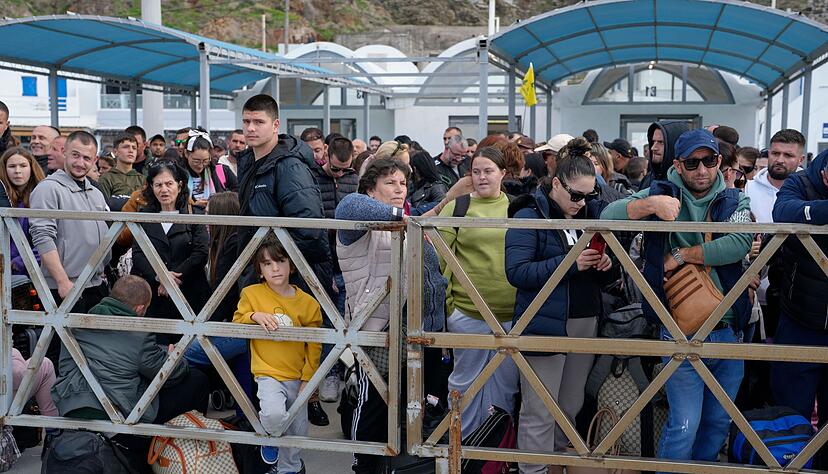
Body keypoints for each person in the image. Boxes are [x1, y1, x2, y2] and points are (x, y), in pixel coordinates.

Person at [601, 129, 752, 466]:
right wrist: (650, 205)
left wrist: (682, 255)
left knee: (718, 423)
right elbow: (606, 216)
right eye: (692, 163)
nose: (702, 170)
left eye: (709, 161)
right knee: (685, 424)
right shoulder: (661, 192)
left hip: (729, 329)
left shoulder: (733, 199)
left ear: (719, 161)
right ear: (678, 165)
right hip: (677, 328)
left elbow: (738, 243)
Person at [506, 138, 613, 474]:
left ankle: (554, 466)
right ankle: (533, 470)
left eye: (589, 196)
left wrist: (607, 265)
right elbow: (517, 272)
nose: (582, 203)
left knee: (569, 405)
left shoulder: (590, 214)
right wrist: (571, 263)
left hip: (584, 319)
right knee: (539, 409)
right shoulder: (528, 215)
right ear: (555, 184)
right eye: (576, 195)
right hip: (544, 322)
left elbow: (607, 275)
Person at [336, 157, 447, 472]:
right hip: (378, 329)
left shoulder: (409, 222)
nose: (399, 189)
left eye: (402, 183)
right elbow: (348, 206)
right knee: (374, 406)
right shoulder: (361, 221)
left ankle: (398, 466)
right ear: (371, 189)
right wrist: (405, 217)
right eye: (389, 183)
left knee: (411, 407)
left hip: (416, 330)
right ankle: (363, 465)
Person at [236, 94, 334, 426]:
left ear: (276, 124)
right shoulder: (249, 161)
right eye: (246, 121)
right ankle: (264, 428)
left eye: (258, 121)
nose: (250, 128)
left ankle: (287, 431)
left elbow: (309, 229)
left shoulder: (289, 166)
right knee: (262, 350)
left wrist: (274, 263)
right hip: (261, 275)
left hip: (290, 277)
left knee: (291, 357)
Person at [51, 275, 208, 468]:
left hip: (72, 406)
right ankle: (188, 454)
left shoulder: (77, 322)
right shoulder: (139, 335)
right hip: (118, 421)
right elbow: (170, 375)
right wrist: (175, 358)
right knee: (197, 380)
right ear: (140, 308)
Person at [438, 147, 518, 436]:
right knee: (464, 383)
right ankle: (462, 447)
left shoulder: (518, 208)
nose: (482, 177)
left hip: (511, 313)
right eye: (476, 171)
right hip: (467, 311)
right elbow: (440, 261)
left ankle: (495, 447)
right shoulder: (457, 207)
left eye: (488, 171)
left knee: (506, 386)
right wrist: (450, 307)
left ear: (503, 173)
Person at [234, 237, 321, 473]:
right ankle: (270, 438)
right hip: (267, 372)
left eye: (280, 261)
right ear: (259, 271)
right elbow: (236, 321)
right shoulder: (251, 294)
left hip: (297, 375)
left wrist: (308, 378)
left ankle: (289, 468)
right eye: (267, 263)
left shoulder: (308, 303)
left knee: (298, 431)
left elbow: (314, 344)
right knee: (273, 414)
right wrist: (254, 316)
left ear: (291, 265)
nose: (275, 268)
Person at [770, 148, 828, 467]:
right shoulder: (800, 182)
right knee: (792, 414)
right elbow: (783, 212)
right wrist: (823, 211)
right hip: (800, 319)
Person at [130, 159, 209, 345]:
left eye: (169, 184)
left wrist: (172, 279)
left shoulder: (194, 214)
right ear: (151, 187)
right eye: (158, 185)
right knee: (156, 347)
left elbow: (200, 252)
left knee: (190, 348)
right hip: (153, 295)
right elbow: (138, 254)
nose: (164, 190)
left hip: (189, 292)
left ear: (179, 186)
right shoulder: (143, 216)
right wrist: (161, 276)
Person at [30, 131, 110, 313]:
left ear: (95, 160)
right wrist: (62, 281)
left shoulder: (96, 194)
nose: (80, 163)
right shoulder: (47, 189)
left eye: (87, 158)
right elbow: (43, 237)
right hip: (65, 287)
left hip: (96, 285)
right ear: (64, 152)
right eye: (75, 155)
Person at [311, 135, 359, 402]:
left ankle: (344, 372)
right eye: (336, 168)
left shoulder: (354, 180)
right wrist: (326, 271)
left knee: (346, 321)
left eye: (345, 169)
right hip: (323, 260)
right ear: (326, 155)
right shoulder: (313, 178)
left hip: (348, 261)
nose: (340, 174)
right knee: (329, 322)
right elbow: (317, 230)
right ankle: (328, 375)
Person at [183, 192, 248, 366]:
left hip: (242, 326)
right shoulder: (226, 242)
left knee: (185, 352)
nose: (205, 219)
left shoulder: (233, 244)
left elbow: (225, 295)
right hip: (232, 322)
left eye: (208, 213)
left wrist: (202, 327)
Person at [0, 147, 45, 275]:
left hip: (35, 273)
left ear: (31, 168)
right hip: (4, 271)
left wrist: (20, 262)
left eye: (23, 166)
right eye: (12, 166)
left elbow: (50, 239)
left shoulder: (43, 195)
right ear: (4, 169)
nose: (17, 171)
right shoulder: (2, 197)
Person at [746, 129, 805, 223]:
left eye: (788, 155)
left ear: (801, 160)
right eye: (775, 153)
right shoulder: (747, 189)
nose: (780, 160)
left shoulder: (810, 190)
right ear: (769, 154)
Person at [182, 128, 237, 209]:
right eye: (196, 161)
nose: (201, 166)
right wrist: (193, 204)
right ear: (186, 153)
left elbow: (238, 192)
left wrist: (219, 202)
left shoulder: (221, 171)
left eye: (205, 161)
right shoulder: (177, 175)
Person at [98, 133, 145, 208]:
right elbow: (104, 208)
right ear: (115, 152)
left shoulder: (143, 179)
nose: (131, 150)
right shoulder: (106, 179)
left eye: (134, 148)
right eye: (126, 147)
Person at [641, 120, 690, 191]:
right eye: (653, 142)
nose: (653, 148)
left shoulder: (690, 182)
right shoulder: (648, 179)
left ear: (675, 144)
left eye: (661, 142)